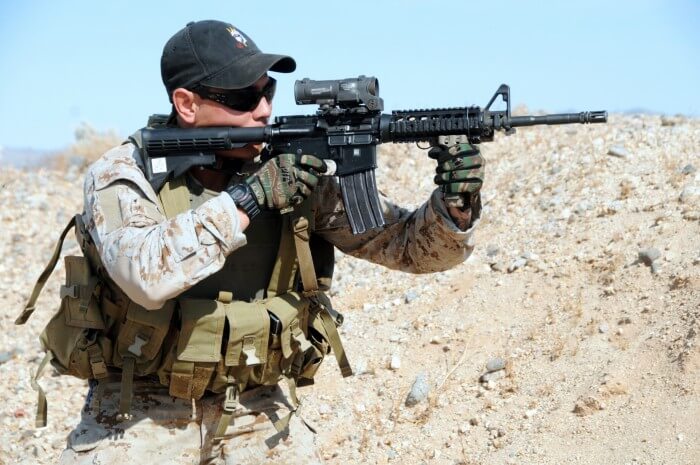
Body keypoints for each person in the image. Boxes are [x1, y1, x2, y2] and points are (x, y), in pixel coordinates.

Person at [50, 19, 484, 464]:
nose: (262, 110)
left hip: (256, 408)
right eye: (242, 98)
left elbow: (406, 246)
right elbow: (144, 274)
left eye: (267, 92)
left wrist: (455, 205)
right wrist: (251, 198)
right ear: (186, 103)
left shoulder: (289, 171)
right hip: (136, 409)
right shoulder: (125, 171)